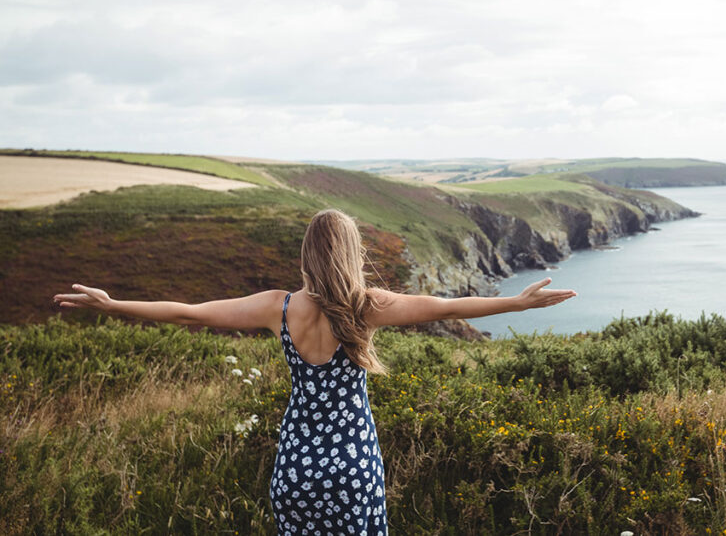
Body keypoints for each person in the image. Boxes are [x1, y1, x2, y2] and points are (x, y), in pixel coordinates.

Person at [53, 208, 577, 535]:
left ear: (306, 252)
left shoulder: (277, 308)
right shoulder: (367, 305)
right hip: (352, 469)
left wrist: (114, 304)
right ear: (352, 253)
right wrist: (516, 303)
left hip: (295, 473)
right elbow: (446, 306)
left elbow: (190, 311)